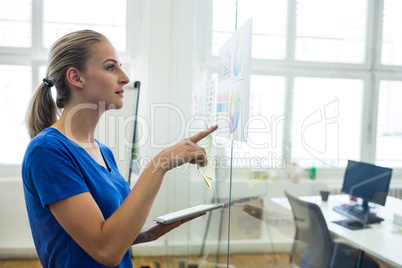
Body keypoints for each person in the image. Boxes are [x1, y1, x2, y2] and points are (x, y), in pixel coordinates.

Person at [22, 30, 217, 268]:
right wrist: (159, 165)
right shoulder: (47, 151)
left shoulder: (103, 152)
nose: (124, 77)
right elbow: (105, 250)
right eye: (111, 67)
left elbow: (105, 232)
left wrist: (146, 234)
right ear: (76, 77)